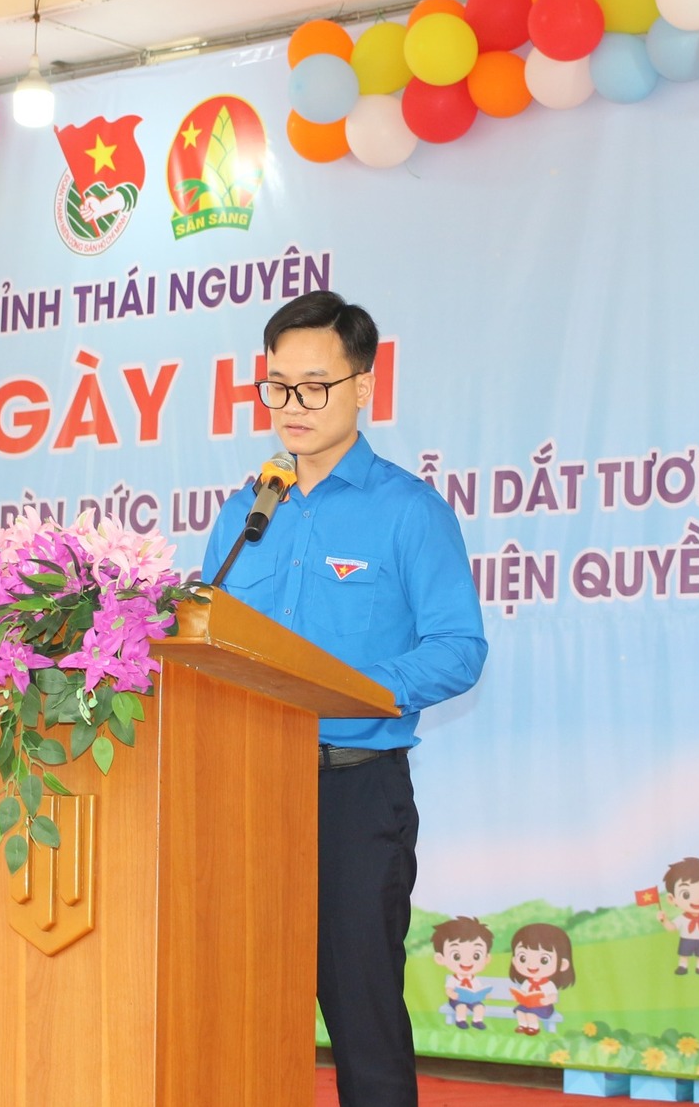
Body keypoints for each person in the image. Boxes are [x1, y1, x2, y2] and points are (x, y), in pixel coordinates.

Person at [204, 291, 488, 1107]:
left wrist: (356, 688)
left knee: (362, 1018)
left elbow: (458, 648)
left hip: (353, 794)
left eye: (314, 385)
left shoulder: (407, 511)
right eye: (277, 385)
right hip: (243, 790)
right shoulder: (245, 511)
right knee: (237, 1009)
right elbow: (207, 633)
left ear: (363, 386)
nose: (292, 405)